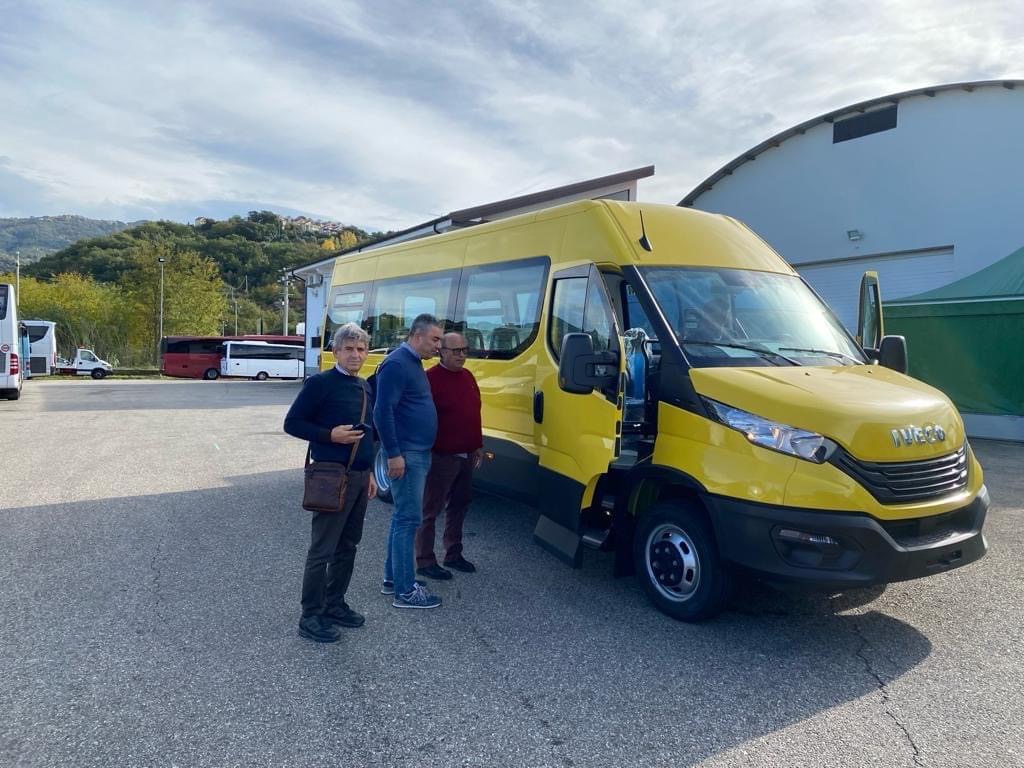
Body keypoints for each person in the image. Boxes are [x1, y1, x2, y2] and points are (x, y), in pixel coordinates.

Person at [284, 323, 377, 643]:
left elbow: (369, 434)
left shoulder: (364, 386)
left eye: (361, 349)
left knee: (348, 546)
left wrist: (369, 473)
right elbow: (292, 423)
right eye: (348, 348)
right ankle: (310, 615)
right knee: (322, 550)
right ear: (335, 351)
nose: (355, 354)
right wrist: (329, 435)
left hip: (359, 477)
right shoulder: (320, 383)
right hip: (331, 477)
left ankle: (334, 604)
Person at [374, 314, 444, 609]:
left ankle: (395, 578)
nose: (439, 346)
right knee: (408, 519)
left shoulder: (412, 362)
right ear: (417, 336)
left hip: (415, 452)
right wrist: (393, 454)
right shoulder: (397, 364)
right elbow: (382, 411)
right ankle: (405, 591)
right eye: (435, 339)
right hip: (407, 455)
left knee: (402, 517)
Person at [414, 332, 483, 580]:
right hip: (441, 456)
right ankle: (424, 561)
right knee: (430, 510)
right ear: (441, 352)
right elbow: (421, 418)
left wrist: (477, 445)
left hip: (466, 454)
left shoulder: (468, 376)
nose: (462, 355)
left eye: (465, 350)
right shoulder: (430, 379)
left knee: (460, 505)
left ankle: (453, 554)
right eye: (456, 351)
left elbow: (474, 412)